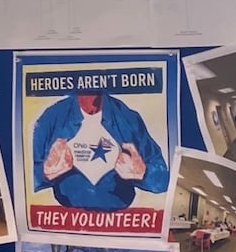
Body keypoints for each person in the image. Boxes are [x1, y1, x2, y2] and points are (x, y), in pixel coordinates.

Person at [33, 90, 170, 213]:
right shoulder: (52, 117)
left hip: (119, 222)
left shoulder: (129, 119)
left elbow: (164, 179)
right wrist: (44, 172)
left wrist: (143, 173)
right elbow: (22, 176)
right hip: (67, 221)